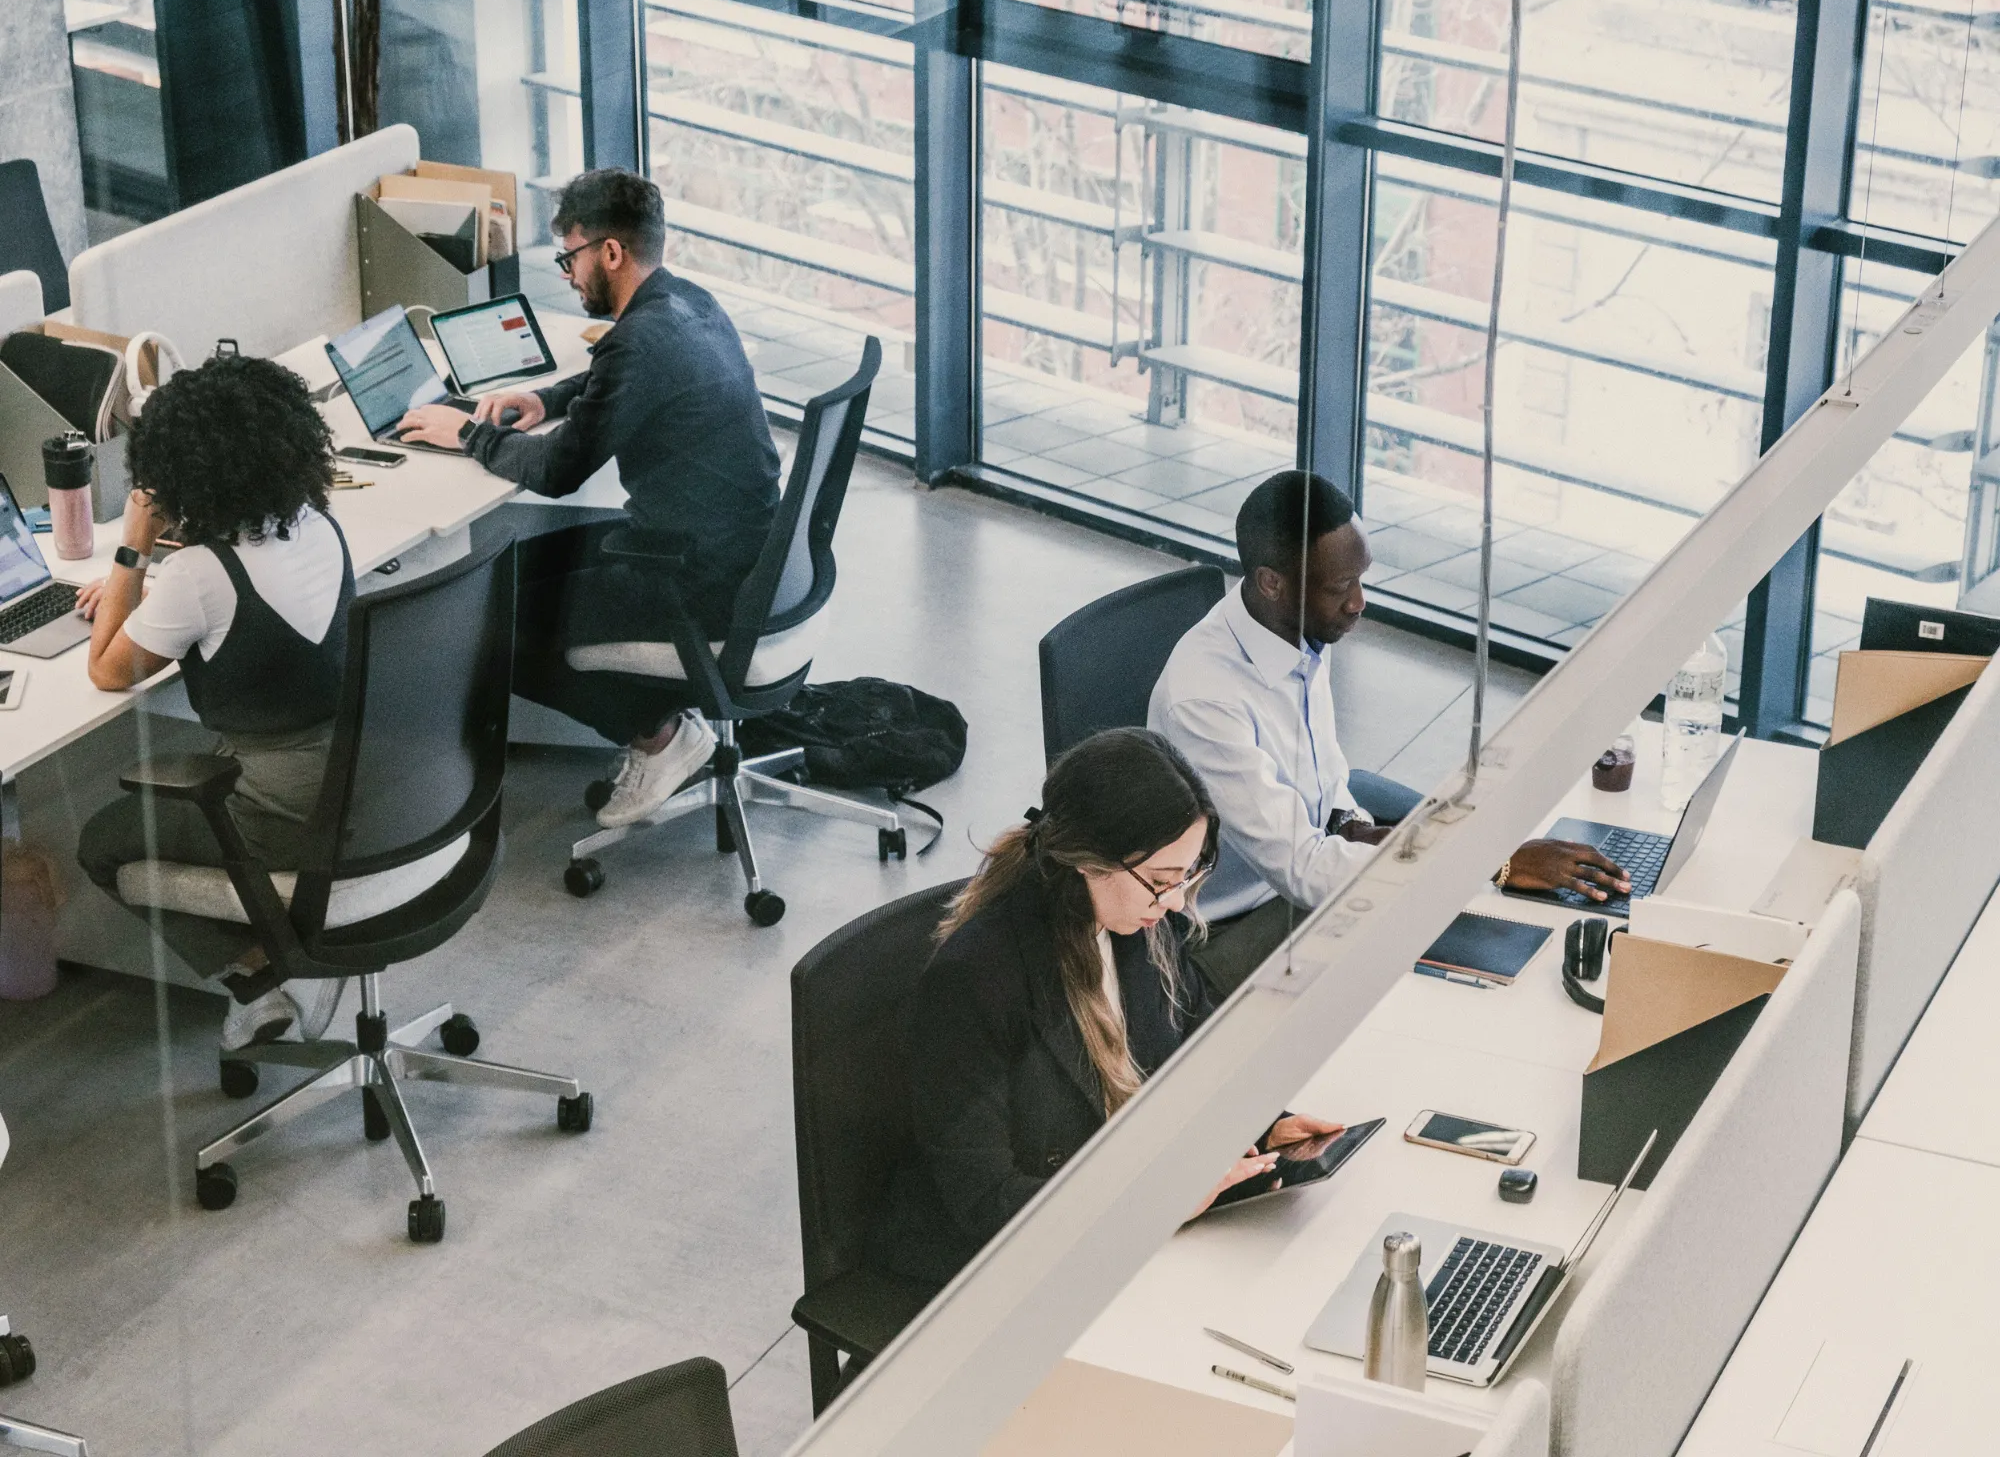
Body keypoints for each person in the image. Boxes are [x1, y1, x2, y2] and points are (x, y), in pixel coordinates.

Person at [868, 728, 1347, 1290]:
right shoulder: (977, 978)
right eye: (1162, 881)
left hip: (1117, 1210)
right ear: (1089, 861)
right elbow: (986, 1202)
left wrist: (1265, 1127)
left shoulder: (1137, 919)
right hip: (997, 1269)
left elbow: (1202, 1047)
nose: (1175, 900)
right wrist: (1158, 1204)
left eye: (1188, 876)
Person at [395, 168, 782, 828]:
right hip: (742, 552)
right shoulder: (687, 302)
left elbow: (557, 470)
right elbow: (617, 376)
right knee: (502, 575)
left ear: (610, 252)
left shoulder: (638, 341)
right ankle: (663, 718)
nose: (568, 274)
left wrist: (468, 434)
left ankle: (659, 738)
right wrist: (542, 398)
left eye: (569, 257)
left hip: (696, 577)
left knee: (488, 623)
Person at [1150, 471, 1630, 996]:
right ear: (1271, 583)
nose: (1358, 601)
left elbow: (1325, 776)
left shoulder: (1294, 629)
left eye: (1361, 578)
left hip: (1306, 854)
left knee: (1452, 846)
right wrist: (1490, 862)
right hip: (1234, 923)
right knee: (1438, 928)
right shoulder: (1207, 702)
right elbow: (1305, 872)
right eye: (1341, 587)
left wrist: (1356, 824)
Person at [74, 355, 354, 1050]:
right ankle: (276, 951)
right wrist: (149, 593)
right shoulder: (319, 524)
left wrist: (133, 547)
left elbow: (107, 670)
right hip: (359, 786)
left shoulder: (200, 574)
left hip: (279, 815)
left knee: (101, 845)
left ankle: (260, 972)